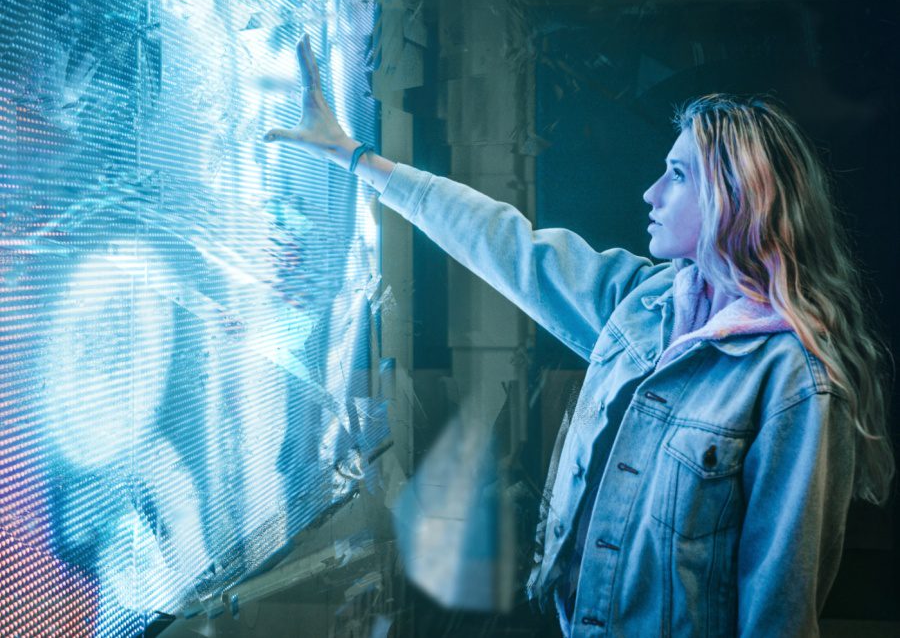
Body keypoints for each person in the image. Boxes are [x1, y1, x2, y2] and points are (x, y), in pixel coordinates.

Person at [264, 35, 895, 637]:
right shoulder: (643, 304)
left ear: (735, 197)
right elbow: (504, 244)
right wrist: (353, 157)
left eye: (677, 175)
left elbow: (779, 607)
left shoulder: (793, 381)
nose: (650, 193)